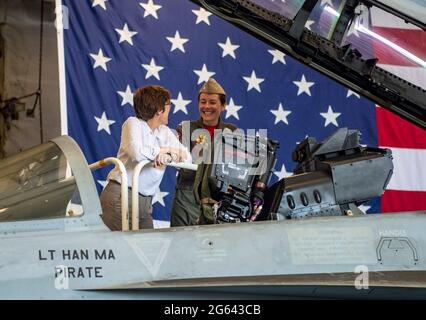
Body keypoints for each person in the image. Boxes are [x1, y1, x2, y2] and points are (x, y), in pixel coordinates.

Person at [100, 85, 191, 231]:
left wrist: (168, 156)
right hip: (121, 196)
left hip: (145, 203)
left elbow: (187, 158)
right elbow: (137, 153)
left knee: (146, 251)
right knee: (119, 248)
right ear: (159, 110)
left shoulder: (165, 131)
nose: (170, 108)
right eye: (169, 105)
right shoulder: (133, 123)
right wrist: (165, 150)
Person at [170, 78, 237, 226]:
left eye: (212, 102)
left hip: (217, 200)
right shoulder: (185, 128)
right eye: (203, 102)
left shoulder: (231, 131)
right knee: (180, 244)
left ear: (223, 106)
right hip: (186, 198)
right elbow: (179, 161)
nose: (206, 106)